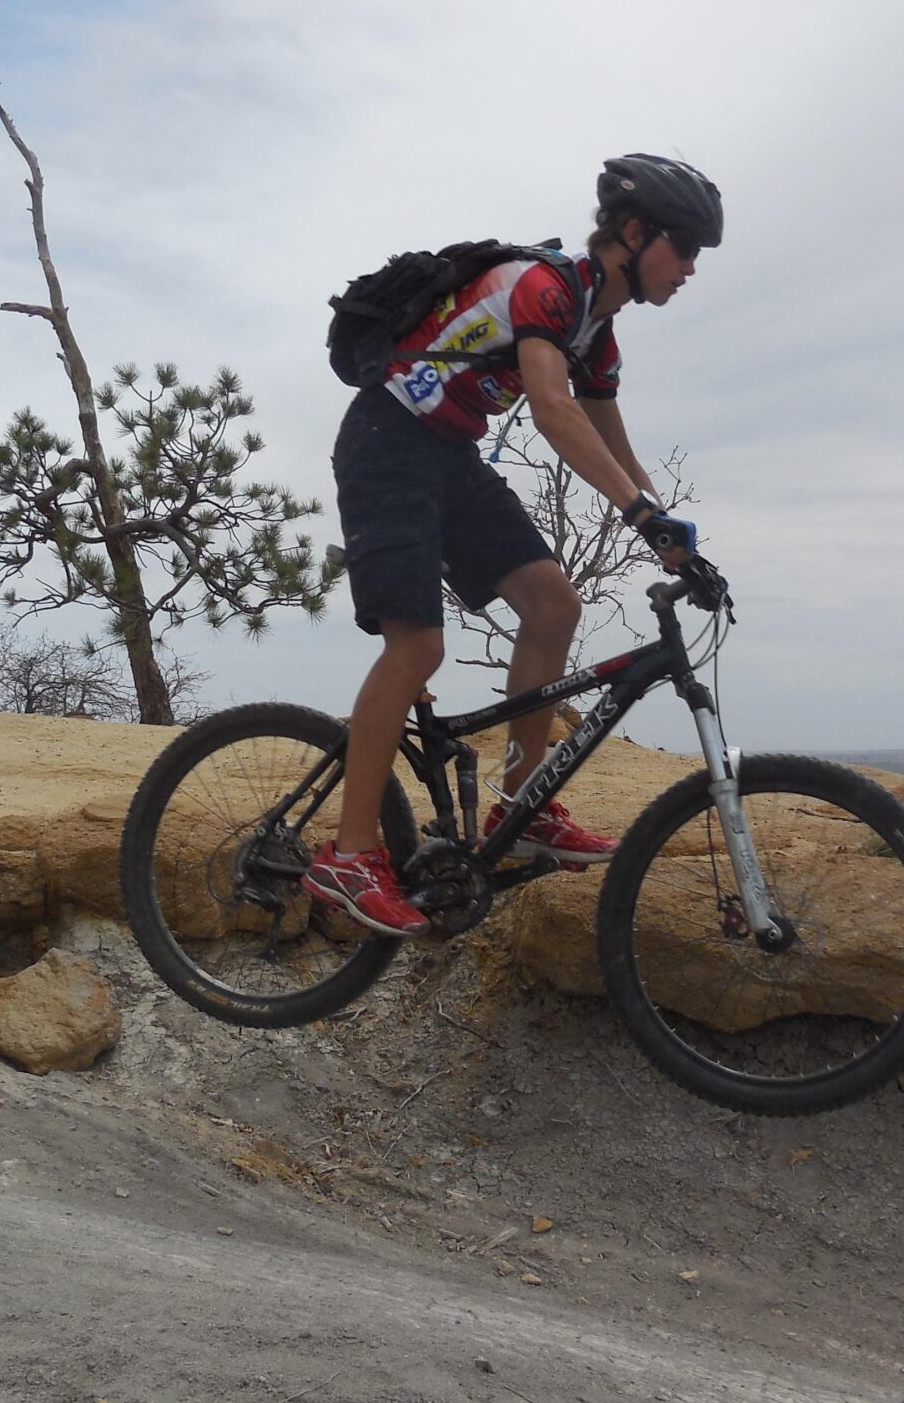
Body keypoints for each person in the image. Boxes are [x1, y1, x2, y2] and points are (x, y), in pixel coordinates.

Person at [304, 154, 722, 935]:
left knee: (554, 605)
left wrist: (671, 535)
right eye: (686, 248)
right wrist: (639, 515)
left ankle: (526, 805)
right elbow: (553, 412)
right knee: (417, 647)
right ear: (634, 234)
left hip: (450, 454)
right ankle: (350, 855)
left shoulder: (595, 327)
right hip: (387, 442)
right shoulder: (548, 288)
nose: (692, 268)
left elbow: (611, 437)